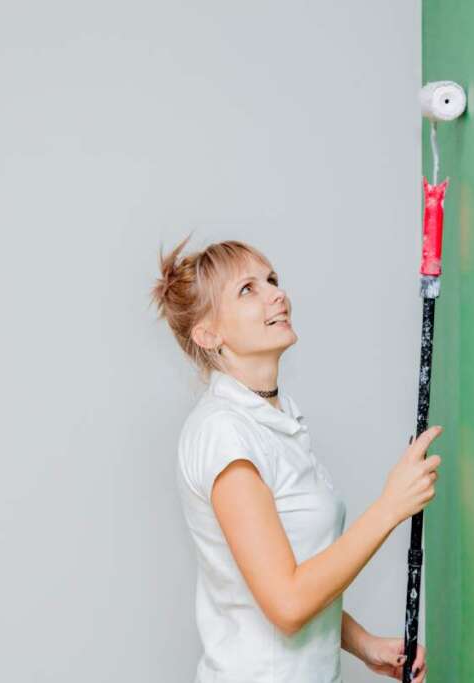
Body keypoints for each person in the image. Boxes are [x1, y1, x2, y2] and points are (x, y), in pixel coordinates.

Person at [150, 233, 442, 682]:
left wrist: (366, 646)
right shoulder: (223, 433)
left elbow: (286, 578)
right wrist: (390, 508)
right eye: (248, 290)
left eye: (272, 279)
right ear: (209, 333)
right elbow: (286, 604)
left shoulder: (276, 423)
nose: (277, 294)